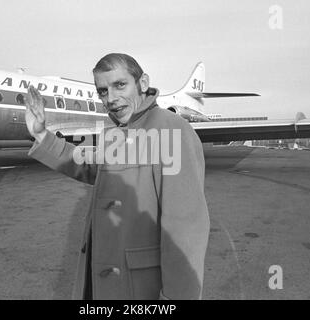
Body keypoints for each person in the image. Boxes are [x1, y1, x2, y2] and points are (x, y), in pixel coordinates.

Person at [25, 53, 210, 300]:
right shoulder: (119, 132)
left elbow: (185, 229)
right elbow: (91, 166)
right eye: (102, 91)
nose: (110, 98)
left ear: (143, 83)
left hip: (141, 288)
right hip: (105, 281)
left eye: (119, 85)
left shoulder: (171, 130)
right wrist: (42, 137)